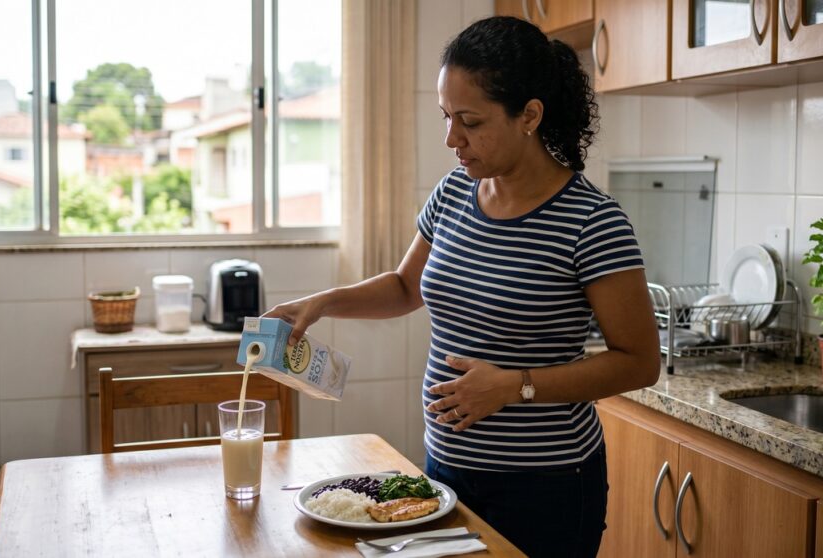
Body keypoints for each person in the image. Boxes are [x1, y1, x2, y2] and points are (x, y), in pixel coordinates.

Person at [264, 16, 660, 557]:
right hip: (446, 468)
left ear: (530, 116)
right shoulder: (455, 191)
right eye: (447, 117)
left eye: (469, 122)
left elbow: (639, 362)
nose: (453, 139)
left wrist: (513, 385)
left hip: (546, 485)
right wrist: (323, 302)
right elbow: (407, 287)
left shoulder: (592, 222)